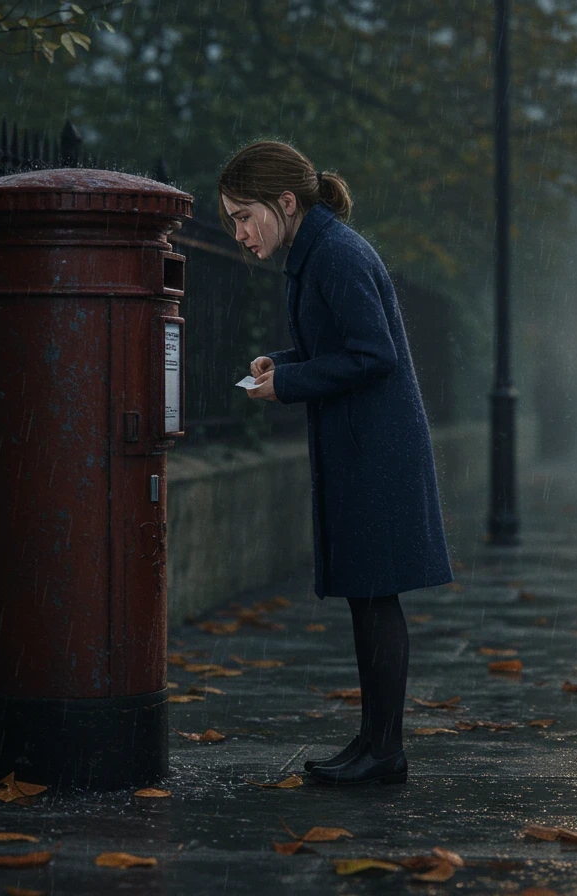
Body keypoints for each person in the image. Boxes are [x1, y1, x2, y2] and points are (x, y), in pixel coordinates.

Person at [218, 140, 455, 786]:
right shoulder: (318, 250)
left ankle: (385, 750)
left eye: (244, 216)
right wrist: (284, 365)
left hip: (375, 450)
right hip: (361, 444)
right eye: (233, 221)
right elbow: (339, 347)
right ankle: (374, 742)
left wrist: (291, 384)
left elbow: (372, 353)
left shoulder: (336, 255)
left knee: (376, 598)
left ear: (285, 203)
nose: (239, 233)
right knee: (365, 597)